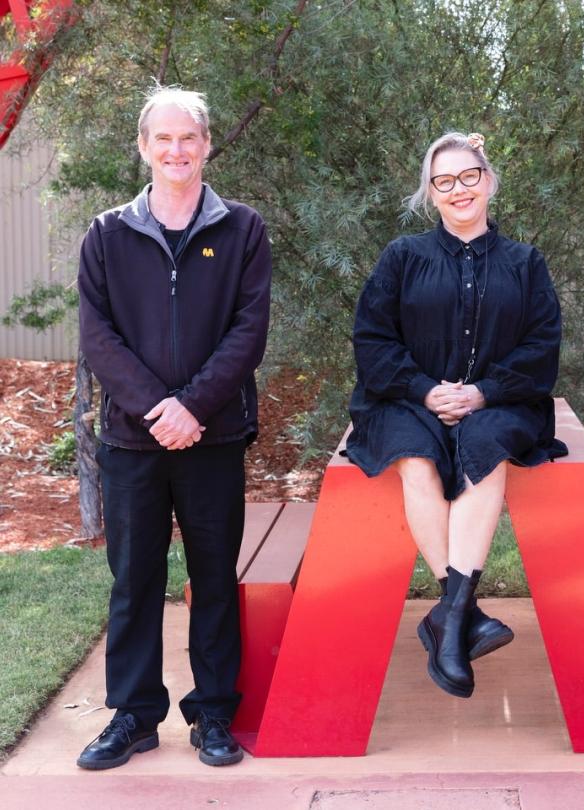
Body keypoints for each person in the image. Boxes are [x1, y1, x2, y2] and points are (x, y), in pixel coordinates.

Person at [76, 87, 271, 769]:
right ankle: (133, 714)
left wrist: (193, 407)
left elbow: (248, 333)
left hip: (213, 437)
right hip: (132, 440)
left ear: (208, 144)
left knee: (214, 576)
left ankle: (214, 713)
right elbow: (98, 338)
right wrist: (160, 410)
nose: (177, 150)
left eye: (189, 137)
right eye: (163, 138)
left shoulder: (243, 230)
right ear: (143, 147)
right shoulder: (105, 234)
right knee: (134, 579)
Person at [346, 131, 565, 699]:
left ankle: (447, 619)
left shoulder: (525, 263)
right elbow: (371, 340)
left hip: (500, 403)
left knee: (487, 449)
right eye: (444, 181)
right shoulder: (403, 258)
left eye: (469, 176)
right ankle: (461, 615)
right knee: (416, 460)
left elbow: (542, 347)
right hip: (404, 401)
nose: (459, 189)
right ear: (431, 195)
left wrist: (483, 393)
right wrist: (424, 390)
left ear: (488, 182)